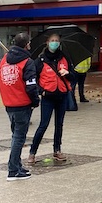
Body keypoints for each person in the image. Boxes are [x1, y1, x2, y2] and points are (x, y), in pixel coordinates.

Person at [0, 33, 39, 181]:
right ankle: (13, 170)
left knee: (16, 135)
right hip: (22, 104)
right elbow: (31, 85)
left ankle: (16, 166)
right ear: (27, 44)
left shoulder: (4, 60)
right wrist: (35, 101)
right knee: (18, 138)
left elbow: (0, 79)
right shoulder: (27, 62)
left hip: (9, 103)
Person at [28, 33, 74, 163]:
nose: (55, 43)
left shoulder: (64, 58)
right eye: (52, 40)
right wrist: (41, 91)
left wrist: (68, 73)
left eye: (57, 41)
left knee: (59, 124)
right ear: (47, 42)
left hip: (62, 95)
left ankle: (57, 150)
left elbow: (73, 76)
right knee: (43, 124)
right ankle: (32, 152)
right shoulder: (40, 60)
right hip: (48, 96)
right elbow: (33, 79)